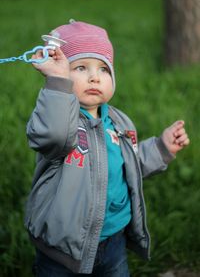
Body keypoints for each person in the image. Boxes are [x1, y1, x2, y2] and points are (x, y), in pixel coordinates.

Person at [25, 20, 190, 277]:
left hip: (114, 240)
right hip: (63, 249)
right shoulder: (60, 120)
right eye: (80, 67)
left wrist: (161, 147)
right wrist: (57, 83)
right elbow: (53, 136)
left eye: (104, 69)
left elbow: (129, 164)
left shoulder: (119, 122)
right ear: (60, 71)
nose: (94, 77)